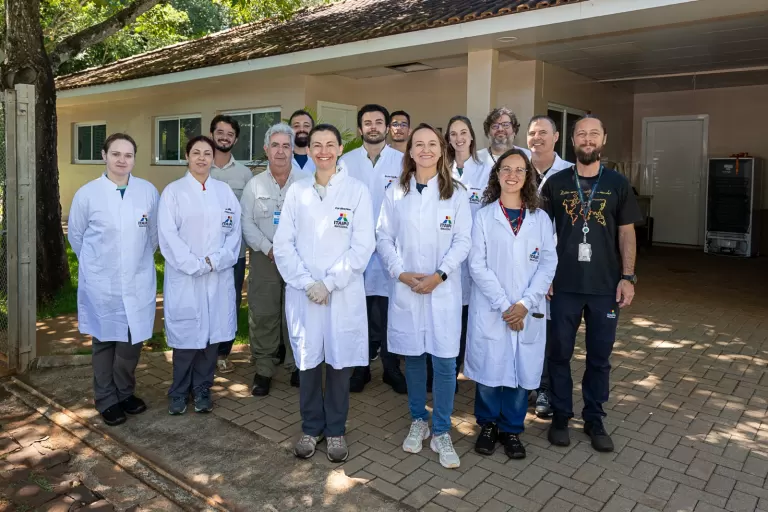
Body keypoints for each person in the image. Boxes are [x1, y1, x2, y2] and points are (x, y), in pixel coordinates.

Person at [273, 124, 375, 463]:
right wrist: (307, 283)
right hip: (305, 294)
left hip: (340, 293)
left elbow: (363, 246)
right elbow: (283, 244)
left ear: (341, 149)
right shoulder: (297, 191)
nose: (324, 151)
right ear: (309, 149)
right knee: (308, 362)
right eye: (317, 145)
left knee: (338, 363)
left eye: (330, 144)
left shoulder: (357, 191)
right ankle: (310, 427)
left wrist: (329, 283)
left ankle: (335, 430)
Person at [541, 115, 641, 452]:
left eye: (593, 134)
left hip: (605, 287)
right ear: (572, 141)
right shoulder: (555, 183)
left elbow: (626, 234)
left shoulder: (618, 183)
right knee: (559, 354)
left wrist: (628, 277)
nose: (587, 139)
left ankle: (594, 418)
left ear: (603, 139)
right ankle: (560, 415)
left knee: (599, 357)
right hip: (563, 285)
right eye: (581, 134)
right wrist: (543, 276)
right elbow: (541, 234)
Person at [377, 123, 471, 469]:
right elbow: (383, 237)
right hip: (408, 288)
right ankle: (419, 419)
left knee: (444, 362)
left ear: (442, 150)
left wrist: (439, 275)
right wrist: (400, 272)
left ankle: (442, 430)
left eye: (432, 144)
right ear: (410, 151)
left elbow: (463, 240)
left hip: (443, 290)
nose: (426, 150)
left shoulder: (456, 193)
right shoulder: (396, 192)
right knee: (414, 358)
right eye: (419, 144)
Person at [465, 148, 557, 459]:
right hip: (494, 308)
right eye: (506, 168)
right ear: (497, 174)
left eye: (520, 169)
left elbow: (548, 263)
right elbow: (477, 265)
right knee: (490, 369)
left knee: (521, 370)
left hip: (527, 309)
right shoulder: (483, 217)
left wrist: (524, 304)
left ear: (528, 176)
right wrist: (506, 305)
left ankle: (512, 429)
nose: (512, 175)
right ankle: (488, 426)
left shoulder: (540, 219)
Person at [68, 133, 159, 427]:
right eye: (116, 154)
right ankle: (107, 399)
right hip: (102, 283)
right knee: (104, 341)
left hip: (137, 279)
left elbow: (153, 236)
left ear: (134, 159)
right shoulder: (88, 194)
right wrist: (98, 266)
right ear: (104, 156)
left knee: (131, 342)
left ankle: (125, 392)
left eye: (128, 155)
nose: (122, 160)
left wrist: (132, 263)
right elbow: (77, 236)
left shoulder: (147, 191)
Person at [158, 135, 242, 415]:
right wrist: (195, 264)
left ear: (213, 158)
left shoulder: (224, 192)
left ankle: (203, 388)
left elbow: (234, 233)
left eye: (207, 153)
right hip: (186, 276)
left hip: (217, 274)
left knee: (211, 337)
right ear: (187, 156)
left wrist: (214, 261)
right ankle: (179, 391)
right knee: (186, 338)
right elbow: (168, 236)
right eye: (196, 152)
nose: (202, 158)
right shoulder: (173, 192)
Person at [340, 104, 407, 394]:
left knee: (391, 310)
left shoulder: (402, 161)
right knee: (359, 310)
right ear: (360, 129)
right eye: (367, 122)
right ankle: (361, 368)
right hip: (356, 248)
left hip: (391, 247)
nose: (373, 127)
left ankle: (391, 368)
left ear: (387, 127)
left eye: (379, 122)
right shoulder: (346, 162)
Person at [241, 123, 305, 396]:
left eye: (286, 146)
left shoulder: (305, 182)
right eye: (275, 145)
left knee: (296, 313)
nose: (280, 151)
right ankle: (264, 368)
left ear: (293, 150)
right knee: (264, 313)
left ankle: (296, 364)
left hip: (298, 259)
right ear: (266, 149)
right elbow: (246, 223)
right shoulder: (254, 185)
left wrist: (288, 251)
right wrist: (269, 249)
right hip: (264, 258)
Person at [526, 115, 573, 418]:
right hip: (520, 262)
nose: (537, 137)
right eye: (532, 133)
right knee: (525, 323)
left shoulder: (570, 173)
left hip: (557, 264)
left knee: (551, 331)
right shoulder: (517, 168)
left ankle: (545, 387)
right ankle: (524, 383)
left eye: (544, 132)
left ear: (556, 137)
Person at [444, 115, 493, 392]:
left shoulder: (486, 169)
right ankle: (447, 371)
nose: (459, 138)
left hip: (476, 252)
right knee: (449, 315)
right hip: (448, 253)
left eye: (463, 132)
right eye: (453, 134)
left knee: (470, 316)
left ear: (472, 136)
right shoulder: (442, 169)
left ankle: (465, 369)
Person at [209, 115, 254, 374]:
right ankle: (203, 350)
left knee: (230, 301)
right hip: (203, 252)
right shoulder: (200, 165)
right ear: (212, 134)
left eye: (230, 134)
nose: (224, 137)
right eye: (220, 132)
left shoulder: (244, 173)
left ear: (235, 139)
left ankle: (222, 353)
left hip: (234, 253)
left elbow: (247, 213)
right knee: (205, 300)